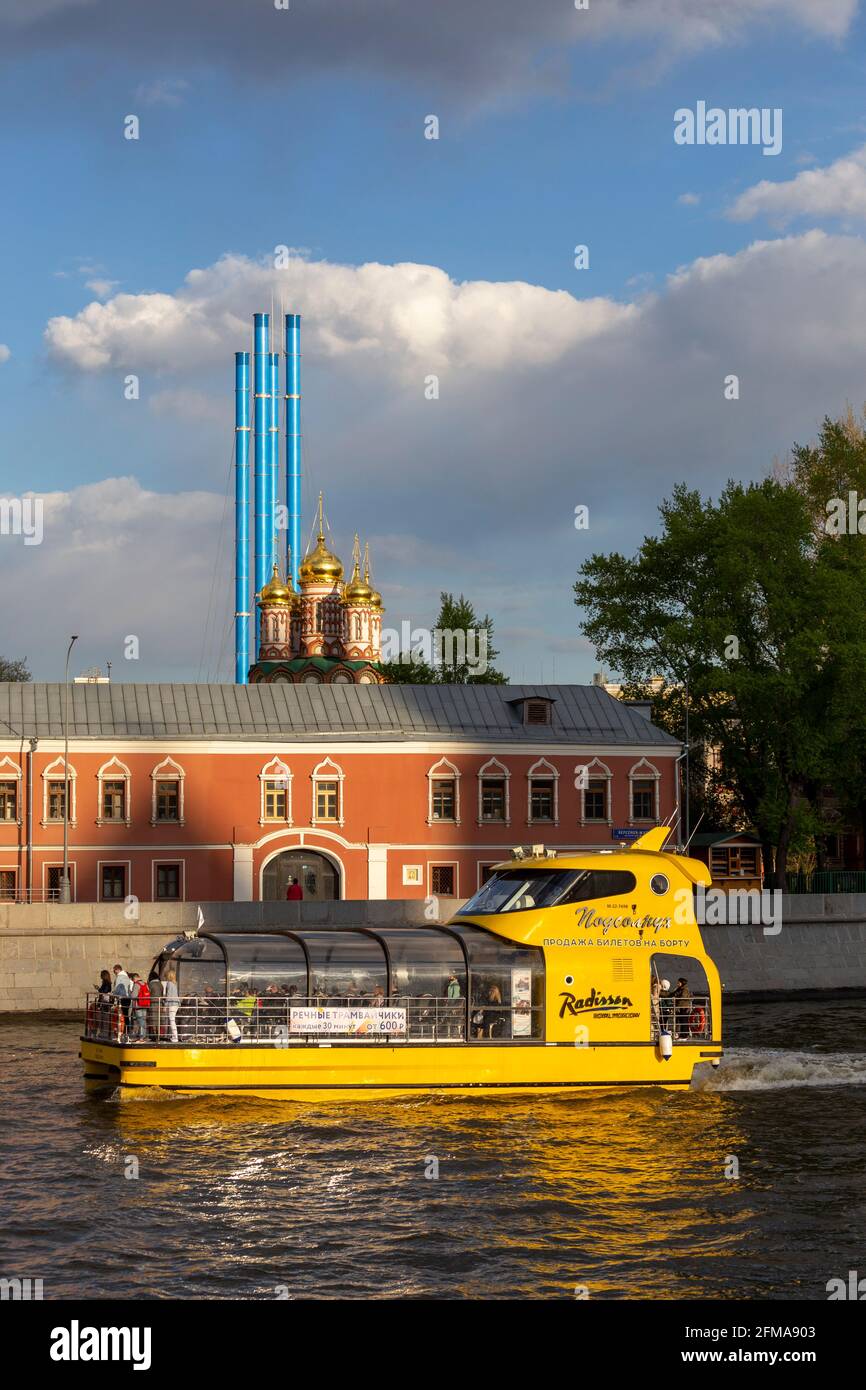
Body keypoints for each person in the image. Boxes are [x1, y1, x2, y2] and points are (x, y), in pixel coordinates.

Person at [130, 972, 151, 1041]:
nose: (133, 981)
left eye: (133, 979)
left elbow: (133, 996)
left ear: (135, 978)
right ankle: (145, 1035)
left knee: (140, 1020)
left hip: (138, 1005)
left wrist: (130, 993)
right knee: (144, 1020)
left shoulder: (136, 984)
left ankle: (142, 1037)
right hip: (145, 1005)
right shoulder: (145, 984)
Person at [163, 969, 180, 1043]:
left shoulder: (169, 983)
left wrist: (165, 1005)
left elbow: (169, 995)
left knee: (172, 1020)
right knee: (173, 1020)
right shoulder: (174, 983)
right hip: (176, 1004)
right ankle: (174, 1036)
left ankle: (175, 1037)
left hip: (172, 1004)